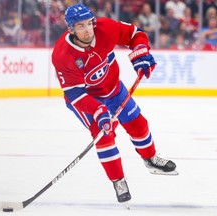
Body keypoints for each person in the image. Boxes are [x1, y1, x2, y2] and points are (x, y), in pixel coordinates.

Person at [51, 3, 177, 204]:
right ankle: (118, 180)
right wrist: (98, 110)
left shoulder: (105, 28)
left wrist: (140, 53)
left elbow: (135, 34)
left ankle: (151, 159)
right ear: (71, 29)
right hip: (88, 100)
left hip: (114, 89)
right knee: (104, 137)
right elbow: (74, 95)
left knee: (139, 124)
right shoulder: (62, 55)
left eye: (89, 23)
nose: (87, 30)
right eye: (80, 26)